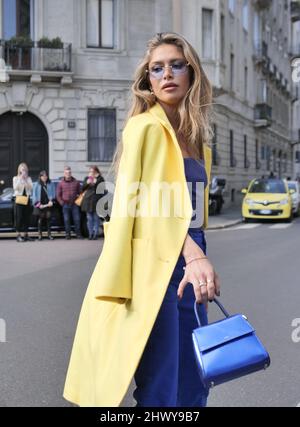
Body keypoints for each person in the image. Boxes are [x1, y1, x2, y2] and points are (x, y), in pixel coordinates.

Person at [63, 32, 220, 407]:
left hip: (190, 268)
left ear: (192, 73)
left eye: (176, 65)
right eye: (156, 68)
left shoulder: (198, 142)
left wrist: (198, 258)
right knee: (162, 381)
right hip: (156, 269)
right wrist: (193, 254)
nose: (167, 74)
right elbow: (139, 206)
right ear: (147, 80)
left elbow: (192, 214)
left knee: (195, 376)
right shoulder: (144, 128)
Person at [56, 166, 83, 239]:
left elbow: (81, 193)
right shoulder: (61, 183)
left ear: (71, 173)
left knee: (77, 219)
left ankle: (78, 234)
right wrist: (61, 203)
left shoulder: (76, 182)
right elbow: (58, 195)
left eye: (69, 172)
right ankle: (68, 235)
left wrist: (78, 201)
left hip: (74, 204)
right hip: (65, 204)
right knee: (66, 220)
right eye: (66, 173)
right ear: (64, 173)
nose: (68, 174)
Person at [81, 166, 106, 240]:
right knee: (89, 219)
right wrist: (87, 182)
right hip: (88, 201)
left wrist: (96, 181)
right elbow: (82, 188)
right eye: (90, 171)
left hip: (96, 201)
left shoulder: (100, 179)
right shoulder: (87, 178)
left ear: (96, 171)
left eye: (92, 171)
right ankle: (90, 234)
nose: (91, 173)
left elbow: (101, 189)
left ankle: (95, 234)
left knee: (96, 218)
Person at [13, 163, 34, 242]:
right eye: (22, 169)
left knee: (26, 218)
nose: (23, 171)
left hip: (27, 199)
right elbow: (15, 188)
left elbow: (31, 188)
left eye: (25, 169)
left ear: (26, 170)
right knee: (19, 218)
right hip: (19, 200)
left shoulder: (29, 178)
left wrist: (25, 180)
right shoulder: (15, 178)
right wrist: (20, 178)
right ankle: (18, 235)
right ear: (19, 170)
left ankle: (26, 235)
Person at [32, 171, 55, 241]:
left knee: (48, 219)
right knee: (40, 219)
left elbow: (54, 194)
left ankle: (49, 235)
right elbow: (34, 196)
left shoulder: (51, 184)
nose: (44, 177)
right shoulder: (36, 184)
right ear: (40, 177)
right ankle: (40, 235)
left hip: (48, 204)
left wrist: (51, 200)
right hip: (40, 205)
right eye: (43, 176)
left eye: (45, 176)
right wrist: (39, 205)